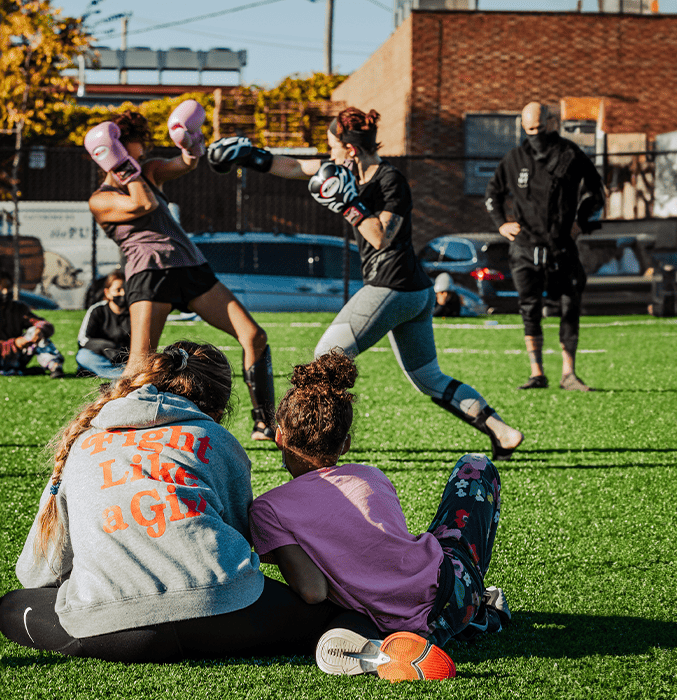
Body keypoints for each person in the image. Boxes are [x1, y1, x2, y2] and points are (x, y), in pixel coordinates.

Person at [0, 342, 357, 661]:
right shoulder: (214, 437)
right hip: (224, 614)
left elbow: (36, 572)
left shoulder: (84, 442)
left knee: (10, 606)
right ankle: (364, 638)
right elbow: (241, 536)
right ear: (217, 410)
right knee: (333, 615)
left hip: (116, 633)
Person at [208, 107, 523, 460]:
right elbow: (296, 167)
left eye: (332, 147)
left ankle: (319, 445)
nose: (328, 155)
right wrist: (251, 155)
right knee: (428, 377)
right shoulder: (344, 170)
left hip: (394, 286)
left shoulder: (390, 181)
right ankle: (501, 431)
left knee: (326, 357)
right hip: (413, 290)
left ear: (351, 149)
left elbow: (381, 238)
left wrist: (349, 205)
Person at [248, 351, 509, 681]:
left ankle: (423, 637)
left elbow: (312, 591)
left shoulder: (267, 509)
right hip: (452, 590)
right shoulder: (371, 475)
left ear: (278, 437)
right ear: (345, 445)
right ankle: (473, 616)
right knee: (476, 466)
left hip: (385, 621)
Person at [85, 101, 276, 440]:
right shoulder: (100, 199)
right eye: (130, 146)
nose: (139, 154)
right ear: (110, 151)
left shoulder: (150, 171)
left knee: (254, 336)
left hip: (191, 266)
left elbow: (186, 163)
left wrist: (192, 142)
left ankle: (265, 422)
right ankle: (104, 428)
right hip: (150, 273)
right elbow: (143, 205)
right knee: (140, 363)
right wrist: (125, 168)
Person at [484, 102, 605, 392]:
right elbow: (492, 195)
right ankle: (536, 372)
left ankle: (569, 374)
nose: (535, 133)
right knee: (529, 309)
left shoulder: (570, 154)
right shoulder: (514, 159)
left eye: (539, 127)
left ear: (551, 122)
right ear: (523, 127)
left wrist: (582, 223)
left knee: (568, 306)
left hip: (562, 247)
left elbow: (596, 192)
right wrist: (502, 223)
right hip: (525, 249)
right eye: (529, 129)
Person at [0, 288, 65, 378]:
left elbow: (44, 324)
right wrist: (15, 344)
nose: (4, 291)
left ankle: (55, 366)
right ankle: (19, 372)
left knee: (36, 333)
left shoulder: (16, 308)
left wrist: (40, 330)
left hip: (16, 356)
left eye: (5, 286)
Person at [75, 268, 130, 379]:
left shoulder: (135, 312)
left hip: (127, 359)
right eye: (118, 290)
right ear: (107, 292)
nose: (123, 293)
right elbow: (83, 340)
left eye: (125, 289)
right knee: (83, 356)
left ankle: (111, 373)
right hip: (101, 356)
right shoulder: (97, 310)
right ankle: (123, 376)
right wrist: (106, 347)